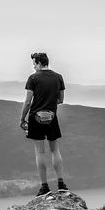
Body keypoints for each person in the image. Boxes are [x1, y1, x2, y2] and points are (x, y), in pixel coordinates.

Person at [20, 52, 68, 196]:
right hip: (52, 117)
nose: (33, 66)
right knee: (55, 150)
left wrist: (22, 118)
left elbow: (28, 102)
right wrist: (49, 103)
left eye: (34, 63)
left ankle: (44, 187)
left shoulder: (33, 78)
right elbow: (61, 100)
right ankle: (61, 184)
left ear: (40, 63)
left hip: (36, 118)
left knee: (40, 152)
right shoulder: (58, 77)